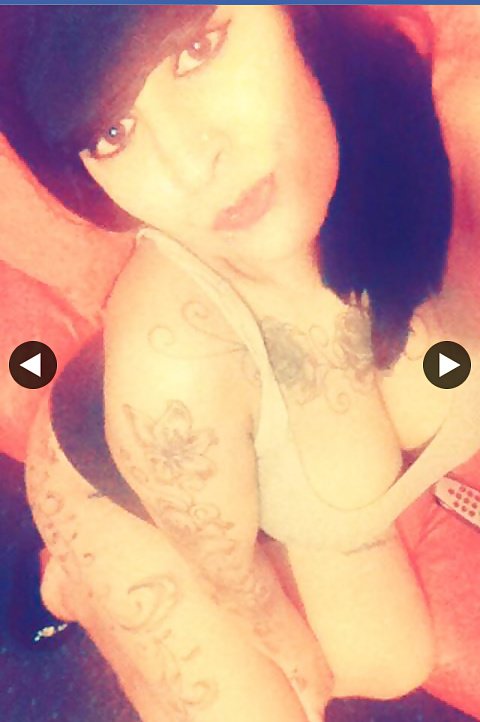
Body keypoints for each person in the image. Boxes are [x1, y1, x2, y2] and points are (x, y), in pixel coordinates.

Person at [1, 5, 478, 721]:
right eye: (113, 133)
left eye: (199, 48)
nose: (192, 166)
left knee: (390, 661)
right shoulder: (172, 358)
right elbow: (235, 580)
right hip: (122, 484)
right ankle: (70, 581)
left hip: (269, 468)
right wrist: (290, 664)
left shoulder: (437, 125)